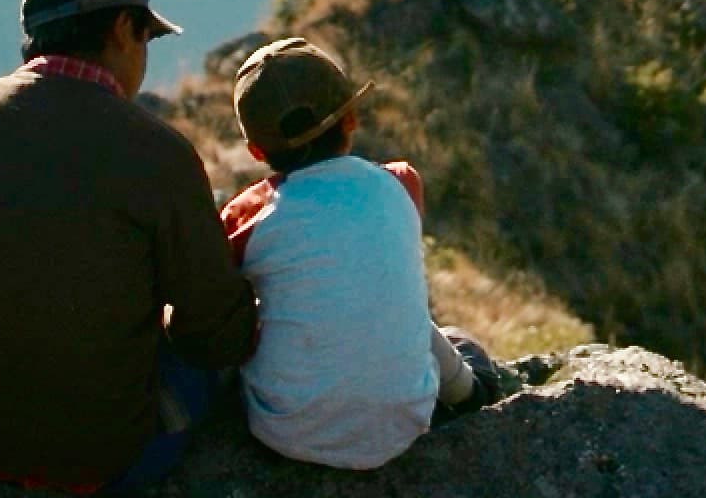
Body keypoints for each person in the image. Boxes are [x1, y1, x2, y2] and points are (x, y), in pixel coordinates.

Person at [0, 0, 259, 493]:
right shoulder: (154, 152)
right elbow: (217, 335)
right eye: (146, 37)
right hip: (98, 461)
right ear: (122, 28)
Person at [216, 36, 505, 469]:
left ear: (257, 151)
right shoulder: (401, 184)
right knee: (450, 334)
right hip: (406, 425)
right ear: (351, 118)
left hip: (284, 433)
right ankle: (469, 390)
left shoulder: (245, 218)